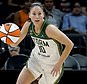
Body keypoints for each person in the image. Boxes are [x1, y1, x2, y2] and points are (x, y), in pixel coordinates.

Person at [10, 2, 74, 84]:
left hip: (52, 64)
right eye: (34, 14)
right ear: (29, 15)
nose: (37, 16)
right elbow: (15, 43)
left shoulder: (50, 29)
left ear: (43, 14)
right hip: (36, 59)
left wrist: (59, 64)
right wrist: (7, 38)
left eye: (39, 13)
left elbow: (70, 44)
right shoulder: (28, 25)